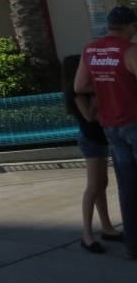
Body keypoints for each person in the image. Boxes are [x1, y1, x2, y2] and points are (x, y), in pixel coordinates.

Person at [76, 4, 137, 260]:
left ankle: (133, 246)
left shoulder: (90, 49)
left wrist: (105, 87)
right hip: (134, 122)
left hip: (111, 126)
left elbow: (80, 85)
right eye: (134, 26)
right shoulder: (130, 51)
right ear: (127, 27)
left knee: (128, 187)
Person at [64, 54, 123, 253]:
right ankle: (87, 235)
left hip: (98, 138)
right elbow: (89, 116)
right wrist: (98, 96)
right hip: (91, 140)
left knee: (101, 185)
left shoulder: (82, 88)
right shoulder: (75, 90)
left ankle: (107, 227)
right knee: (93, 187)